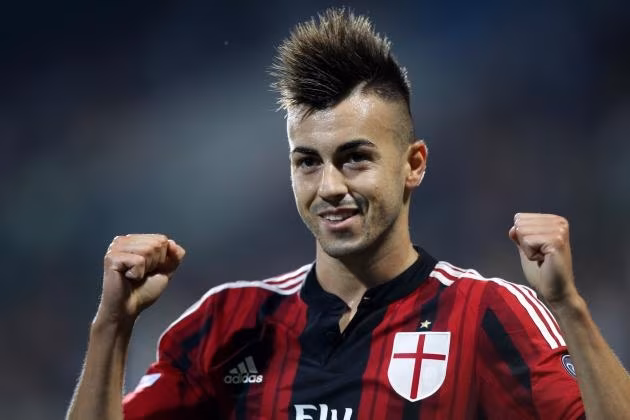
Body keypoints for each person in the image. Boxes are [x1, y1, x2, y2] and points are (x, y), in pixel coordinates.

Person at [66, 8, 630, 420]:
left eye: (355, 158)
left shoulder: (486, 313)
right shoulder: (228, 322)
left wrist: (569, 307)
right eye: (308, 162)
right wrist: (111, 326)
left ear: (413, 164)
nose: (329, 187)